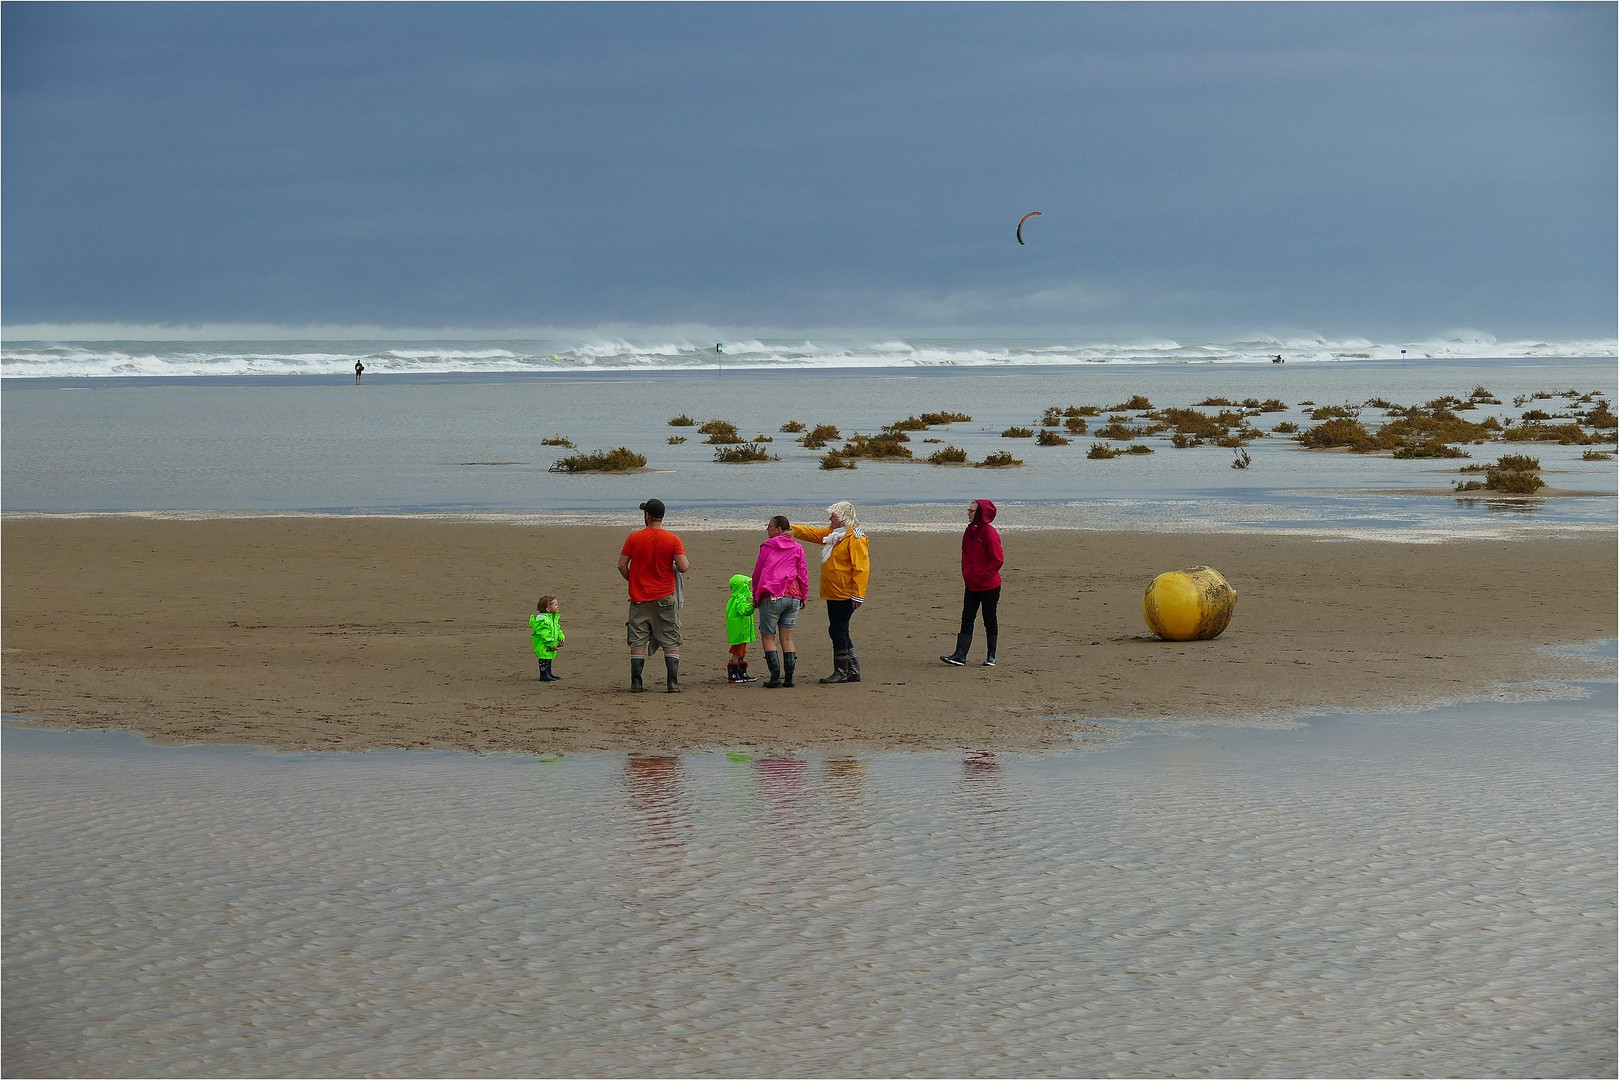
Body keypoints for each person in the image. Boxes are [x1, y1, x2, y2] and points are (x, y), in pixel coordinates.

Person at [791, 501, 869, 684]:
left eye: (832, 516)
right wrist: (792, 528)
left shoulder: (856, 538)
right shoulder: (835, 535)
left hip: (845, 592)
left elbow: (862, 568)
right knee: (840, 630)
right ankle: (852, 670)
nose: (829, 519)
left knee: (837, 630)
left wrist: (858, 595)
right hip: (833, 591)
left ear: (842, 518)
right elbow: (815, 534)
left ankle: (842, 671)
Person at [618, 498, 691, 693]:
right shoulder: (673, 539)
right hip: (664, 597)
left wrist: (633, 581)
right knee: (670, 638)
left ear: (647, 516)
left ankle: (636, 682)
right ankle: (672, 683)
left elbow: (622, 565)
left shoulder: (634, 538)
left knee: (638, 639)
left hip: (639, 597)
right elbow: (683, 567)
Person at [941, 499, 1004, 667]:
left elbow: (997, 560)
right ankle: (960, 655)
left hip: (989, 585)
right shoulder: (969, 531)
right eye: (968, 510)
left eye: (971, 510)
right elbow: (966, 555)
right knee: (967, 618)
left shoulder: (990, 534)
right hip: (971, 584)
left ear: (981, 513)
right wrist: (968, 574)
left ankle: (991, 656)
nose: (968, 513)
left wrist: (982, 575)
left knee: (989, 619)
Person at [751, 515, 809, 688]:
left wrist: (756, 595)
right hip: (793, 595)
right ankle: (789, 678)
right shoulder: (798, 547)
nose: (767, 529)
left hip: (773, 594)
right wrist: (803, 595)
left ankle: (775, 677)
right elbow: (803, 573)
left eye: (769, 526)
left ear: (778, 529)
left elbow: (758, 572)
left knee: (768, 636)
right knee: (787, 637)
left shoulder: (767, 547)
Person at [725, 574, 760, 684]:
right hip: (740, 632)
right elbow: (744, 611)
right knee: (737, 652)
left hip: (740, 632)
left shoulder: (734, 600)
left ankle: (741, 672)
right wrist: (753, 605)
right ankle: (734, 674)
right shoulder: (739, 600)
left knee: (741, 652)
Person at [529, 594, 566, 681]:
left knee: (548, 659)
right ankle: (544, 675)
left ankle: (549, 673)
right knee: (543, 659)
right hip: (543, 645)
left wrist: (561, 636)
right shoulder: (543, 620)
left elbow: (557, 628)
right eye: (555, 604)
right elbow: (545, 634)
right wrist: (551, 644)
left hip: (549, 644)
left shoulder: (552, 618)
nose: (558, 606)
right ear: (548, 609)